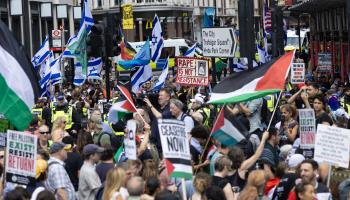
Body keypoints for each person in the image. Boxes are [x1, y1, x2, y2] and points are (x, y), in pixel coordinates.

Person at [144, 88, 172, 153]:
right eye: (158, 95)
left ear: (167, 98)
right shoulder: (158, 108)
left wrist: (150, 105)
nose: (159, 97)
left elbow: (160, 116)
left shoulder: (170, 108)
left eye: (161, 95)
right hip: (153, 142)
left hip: (163, 145)